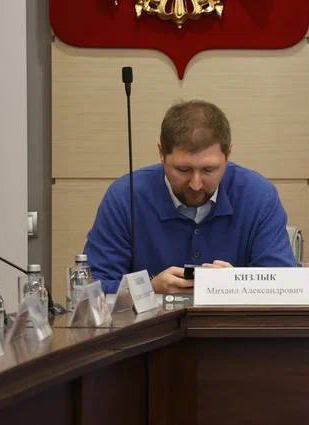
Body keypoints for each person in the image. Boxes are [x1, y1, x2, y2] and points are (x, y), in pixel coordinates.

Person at [84, 100, 296, 294]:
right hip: (150, 325)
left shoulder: (257, 196)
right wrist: (148, 289)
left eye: (208, 170)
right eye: (183, 170)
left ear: (228, 154)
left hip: (232, 324)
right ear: (161, 153)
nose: (196, 184)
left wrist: (237, 283)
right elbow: (93, 288)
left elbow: (284, 286)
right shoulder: (125, 196)